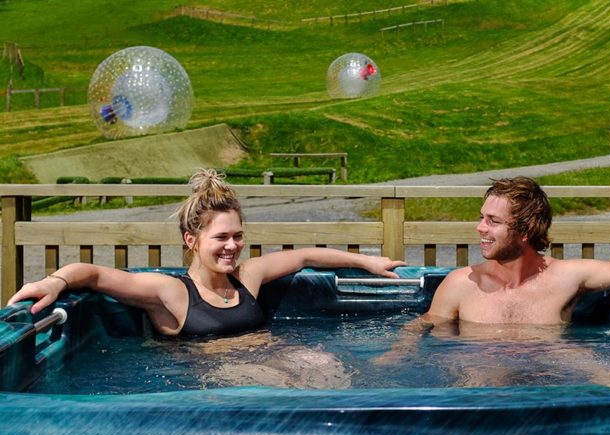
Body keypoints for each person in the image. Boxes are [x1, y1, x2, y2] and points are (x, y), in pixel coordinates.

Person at [373, 176, 610, 378]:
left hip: (554, 372)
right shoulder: (460, 284)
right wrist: (396, 353)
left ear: (524, 231)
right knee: (480, 381)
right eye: (481, 218)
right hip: (481, 373)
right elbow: (424, 325)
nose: (479, 228)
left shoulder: (566, 278)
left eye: (492, 221)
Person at [8, 169, 405, 337]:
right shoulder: (171, 293)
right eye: (221, 237)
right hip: (221, 386)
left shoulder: (247, 277)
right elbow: (94, 274)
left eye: (238, 236)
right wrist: (54, 282)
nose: (232, 246)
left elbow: (304, 256)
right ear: (191, 240)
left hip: (273, 364)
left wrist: (366, 261)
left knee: (324, 365)